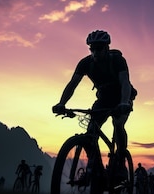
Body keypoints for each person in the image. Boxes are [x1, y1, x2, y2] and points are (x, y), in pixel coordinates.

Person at [52, 30, 135, 183]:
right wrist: (62, 103)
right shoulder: (85, 63)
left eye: (99, 48)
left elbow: (124, 82)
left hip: (122, 97)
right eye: (92, 48)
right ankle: (94, 170)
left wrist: (124, 103)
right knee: (91, 132)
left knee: (118, 124)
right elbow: (72, 84)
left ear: (106, 48)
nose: (95, 52)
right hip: (103, 100)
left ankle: (121, 161)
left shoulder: (117, 60)